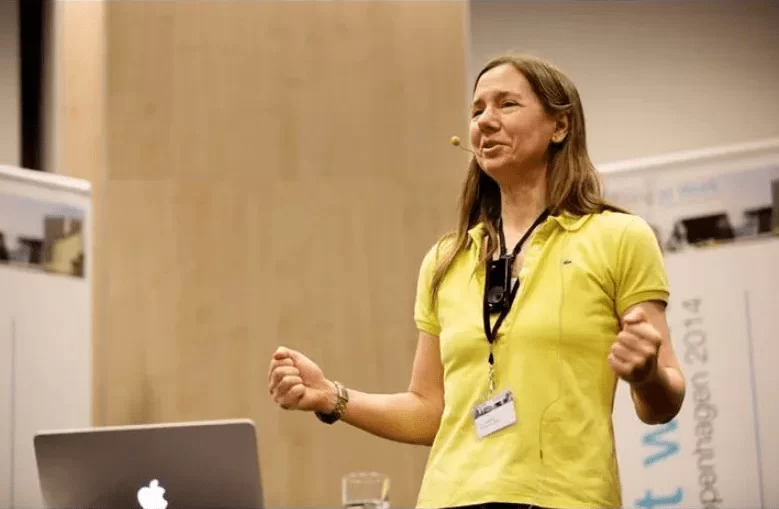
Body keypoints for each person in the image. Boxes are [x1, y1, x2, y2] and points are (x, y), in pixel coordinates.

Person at [267, 53, 686, 509]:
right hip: (450, 498)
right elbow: (429, 411)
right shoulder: (446, 260)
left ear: (560, 126)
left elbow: (663, 403)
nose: (485, 120)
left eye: (507, 104)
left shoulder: (619, 237)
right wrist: (331, 396)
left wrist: (646, 376)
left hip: (565, 498)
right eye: (477, 109)